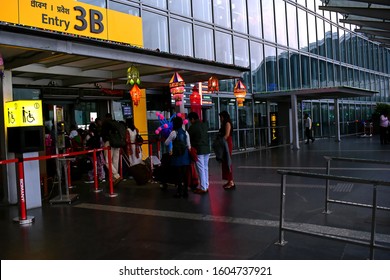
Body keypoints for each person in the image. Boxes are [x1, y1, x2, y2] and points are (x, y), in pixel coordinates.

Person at [164, 116, 191, 198]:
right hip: (185, 156)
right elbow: (189, 146)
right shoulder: (186, 132)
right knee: (185, 174)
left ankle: (179, 192)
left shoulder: (173, 133)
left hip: (177, 157)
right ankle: (186, 191)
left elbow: (166, 143)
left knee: (178, 175)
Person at [187, 112, 210, 194]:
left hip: (199, 150)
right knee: (205, 168)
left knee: (200, 169)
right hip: (207, 149)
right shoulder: (204, 125)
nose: (190, 122)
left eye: (190, 120)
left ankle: (203, 188)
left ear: (192, 119)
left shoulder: (193, 127)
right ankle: (206, 186)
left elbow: (188, 138)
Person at [101, 113, 123, 185]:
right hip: (117, 143)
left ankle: (116, 176)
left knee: (107, 161)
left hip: (109, 143)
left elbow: (102, 134)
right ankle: (114, 179)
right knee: (115, 161)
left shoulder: (105, 124)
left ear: (106, 117)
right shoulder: (116, 123)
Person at [219, 111, 235, 190]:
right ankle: (229, 181)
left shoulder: (227, 123)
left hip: (227, 144)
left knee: (228, 162)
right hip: (225, 143)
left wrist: (220, 141)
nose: (220, 119)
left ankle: (231, 181)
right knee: (225, 162)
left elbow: (227, 135)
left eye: (221, 117)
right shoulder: (225, 124)